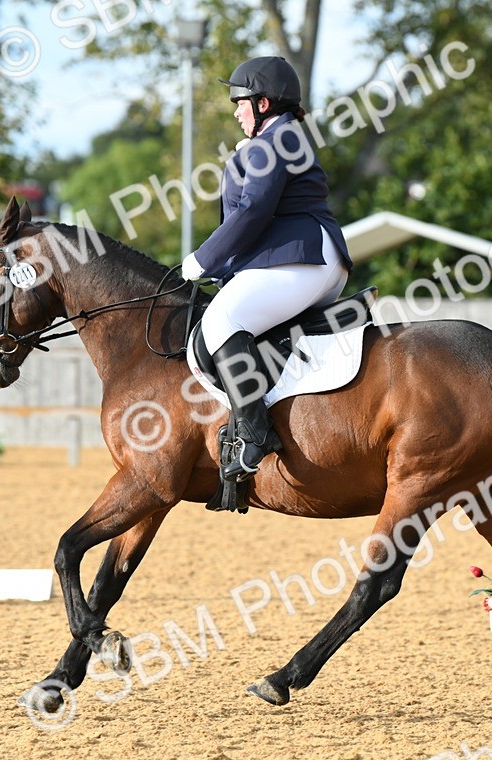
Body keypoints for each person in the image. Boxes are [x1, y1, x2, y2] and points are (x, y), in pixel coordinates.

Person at [180, 56, 352, 481]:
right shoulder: (277, 139)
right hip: (309, 257)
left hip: (304, 254)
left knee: (222, 319)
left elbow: (254, 211)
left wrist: (203, 259)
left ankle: (255, 435)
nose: (235, 111)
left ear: (263, 103)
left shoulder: (275, 140)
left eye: (241, 102)